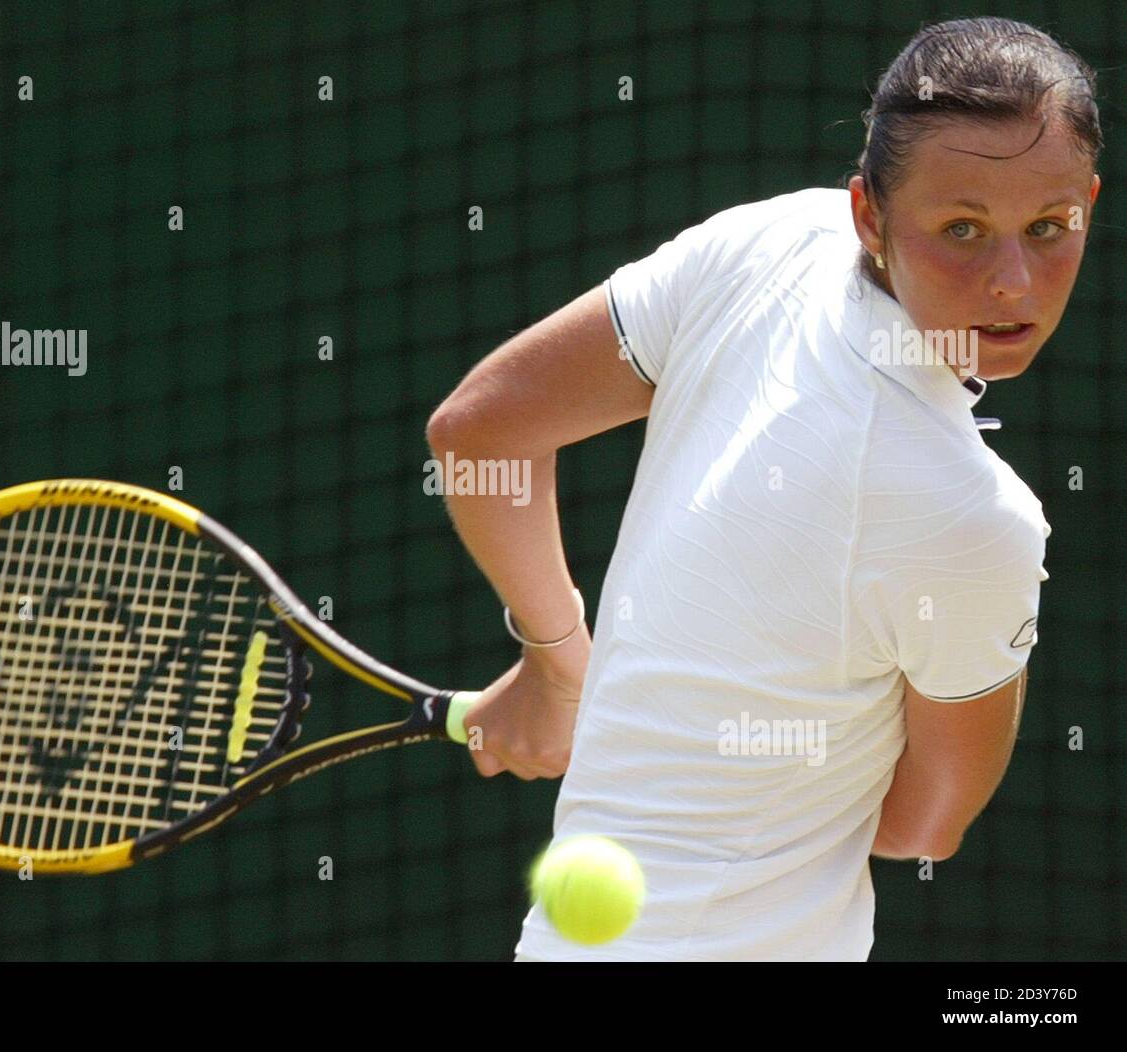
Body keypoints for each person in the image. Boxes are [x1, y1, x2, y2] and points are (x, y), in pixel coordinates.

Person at [425, 16, 1101, 961]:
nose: (1013, 282)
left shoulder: (770, 240)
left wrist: (560, 665)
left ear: (1090, 205)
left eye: (1048, 228)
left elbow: (477, 433)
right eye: (962, 230)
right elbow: (921, 828)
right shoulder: (971, 519)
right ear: (871, 213)